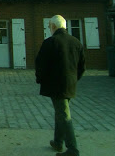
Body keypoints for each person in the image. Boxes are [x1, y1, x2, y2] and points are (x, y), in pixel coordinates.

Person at [35, 15, 85, 156]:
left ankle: (73, 149)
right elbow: (82, 66)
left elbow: (41, 64)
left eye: (49, 26)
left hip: (55, 85)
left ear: (53, 26)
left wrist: (40, 79)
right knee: (61, 112)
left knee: (63, 114)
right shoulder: (76, 42)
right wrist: (75, 79)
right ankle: (58, 142)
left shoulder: (50, 42)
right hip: (70, 84)